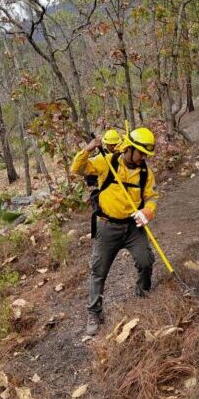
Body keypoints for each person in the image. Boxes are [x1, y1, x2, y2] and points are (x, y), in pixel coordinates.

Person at [70, 127, 159, 336]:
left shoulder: (145, 173)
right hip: (107, 226)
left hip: (133, 226)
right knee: (98, 271)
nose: (144, 158)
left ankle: (142, 296)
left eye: (146, 154)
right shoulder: (107, 162)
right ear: (129, 149)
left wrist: (147, 212)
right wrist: (88, 150)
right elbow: (77, 169)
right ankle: (94, 313)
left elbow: (152, 197)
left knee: (146, 261)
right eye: (141, 153)